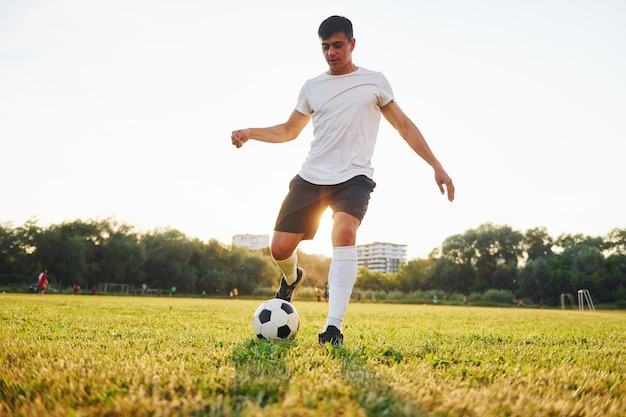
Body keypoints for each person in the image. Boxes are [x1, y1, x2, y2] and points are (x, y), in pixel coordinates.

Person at [231, 15, 454, 346]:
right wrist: (251, 132)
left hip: (354, 176)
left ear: (352, 44)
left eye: (337, 45)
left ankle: (332, 327)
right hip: (312, 177)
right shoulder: (312, 87)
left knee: (344, 230)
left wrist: (436, 164)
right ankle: (291, 278)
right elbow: (289, 131)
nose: (331, 52)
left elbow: (404, 126)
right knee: (278, 248)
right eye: (325, 47)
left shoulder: (374, 82)